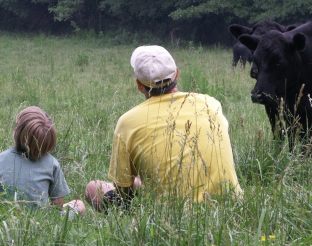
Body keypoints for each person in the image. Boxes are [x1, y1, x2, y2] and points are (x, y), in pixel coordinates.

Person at [85, 45, 242, 212]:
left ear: (139, 84)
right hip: (229, 207)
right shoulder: (211, 104)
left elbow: (123, 190)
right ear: (177, 73)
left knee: (93, 188)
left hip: (171, 216)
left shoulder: (127, 122)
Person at [0, 106, 86, 217]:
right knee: (79, 204)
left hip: (5, 214)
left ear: (16, 131)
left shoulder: (0, 158)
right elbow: (57, 202)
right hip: (41, 218)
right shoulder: (52, 163)